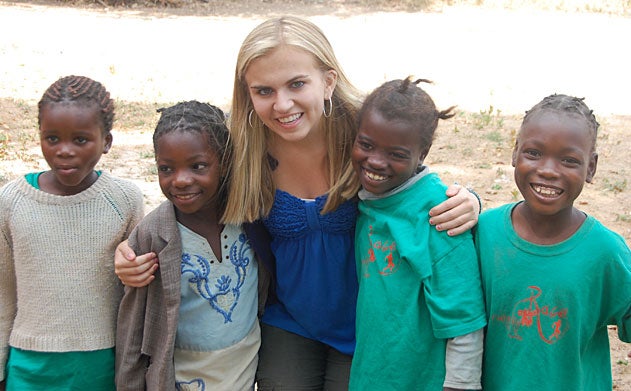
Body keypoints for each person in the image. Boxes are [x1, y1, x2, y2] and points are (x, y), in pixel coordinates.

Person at [114, 16, 481, 390]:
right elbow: (191, 193)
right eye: (264, 91)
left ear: (328, 81)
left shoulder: (364, 136)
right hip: (289, 316)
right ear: (247, 93)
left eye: (297, 84)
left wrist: (470, 202)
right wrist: (136, 248)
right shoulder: (245, 150)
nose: (282, 104)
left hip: (366, 320)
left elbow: (413, 183)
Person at [476, 94, 631, 390]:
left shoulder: (605, 251)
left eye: (569, 160)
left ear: (591, 167)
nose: (548, 170)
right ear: (514, 153)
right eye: (533, 153)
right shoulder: (484, 232)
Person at [0, 75, 144, 391]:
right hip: (29, 366)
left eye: (80, 140)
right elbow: (4, 292)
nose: (65, 151)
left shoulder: (124, 199)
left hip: (101, 363)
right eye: (52, 139)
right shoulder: (11, 202)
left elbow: (136, 288)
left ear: (106, 141)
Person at [115, 101, 270, 390]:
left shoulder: (249, 216)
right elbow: (132, 328)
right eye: (166, 168)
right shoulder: (152, 236)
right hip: (184, 377)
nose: (181, 180)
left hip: (244, 368)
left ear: (224, 163)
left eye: (198, 166)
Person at [349, 77, 486, 390]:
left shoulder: (439, 215)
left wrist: (460, 385)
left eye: (396, 154)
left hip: (422, 380)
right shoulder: (371, 196)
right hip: (371, 375)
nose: (376, 161)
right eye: (366, 145)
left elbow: (463, 317)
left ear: (422, 154)